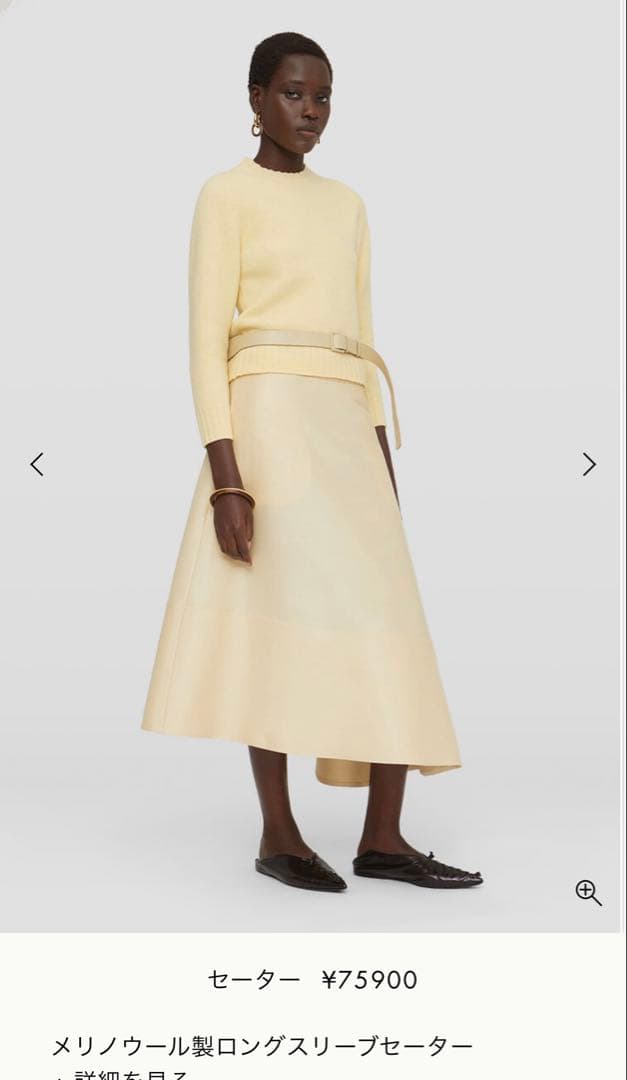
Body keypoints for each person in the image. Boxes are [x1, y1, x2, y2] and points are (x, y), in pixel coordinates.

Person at [141, 31, 483, 894]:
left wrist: (382, 462)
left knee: (388, 615)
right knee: (276, 622)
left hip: (344, 420)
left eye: (323, 97)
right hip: (267, 420)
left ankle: (383, 838)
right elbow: (204, 345)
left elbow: (362, 338)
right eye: (293, 94)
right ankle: (279, 834)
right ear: (255, 98)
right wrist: (227, 477)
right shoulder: (225, 194)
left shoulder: (347, 205)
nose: (310, 111)